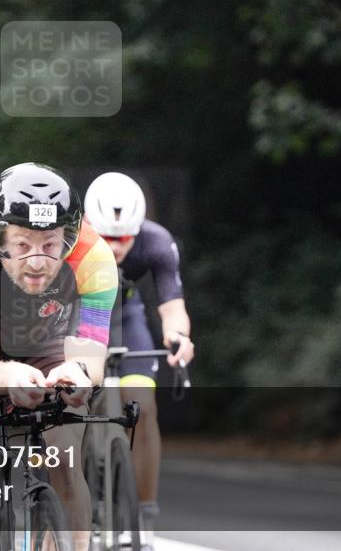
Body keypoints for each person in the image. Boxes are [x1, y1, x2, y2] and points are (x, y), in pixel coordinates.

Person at [0, 162, 118, 551]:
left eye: (50, 245)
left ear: (69, 237)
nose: (36, 261)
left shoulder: (95, 257)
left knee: (65, 460)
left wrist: (77, 374)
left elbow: (90, 359)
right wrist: (10, 377)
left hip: (44, 338)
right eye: (22, 244)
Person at [84, 171, 195, 549]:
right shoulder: (69, 241)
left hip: (126, 319)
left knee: (143, 408)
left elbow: (172, 304)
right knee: (71, 403)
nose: (116, 248)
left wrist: (178, 337)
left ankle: (144, 514)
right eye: (108, 238)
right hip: (77, 318)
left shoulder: (157, 241)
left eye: (125, 239)